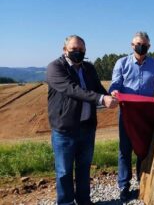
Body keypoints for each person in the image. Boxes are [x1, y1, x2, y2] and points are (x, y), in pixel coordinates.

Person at [47, 35, 118, 205]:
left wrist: (110, 95)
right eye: (73, 49)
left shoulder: (88, 68)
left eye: (81, 50)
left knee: (84, 169)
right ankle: (66, 203)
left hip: (87, 128)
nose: (78, 52)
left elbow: (98, 88)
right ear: (65, 50)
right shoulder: (55, 67)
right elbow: (73, 90)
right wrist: (101, 99)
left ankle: (84, 201)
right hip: (65, 130)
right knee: (64, 171)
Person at [109, 31, 154, 202]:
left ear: (149, 46)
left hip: (147, 113)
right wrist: (114, 91)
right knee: (125, 150)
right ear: (132, 45)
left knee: (144, 149)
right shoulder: (122, 63)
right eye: (137, 44)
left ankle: (142, 181)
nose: (140, 47)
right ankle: (124, 187)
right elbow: (115, 84)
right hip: (128, 112)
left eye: (144, 44)